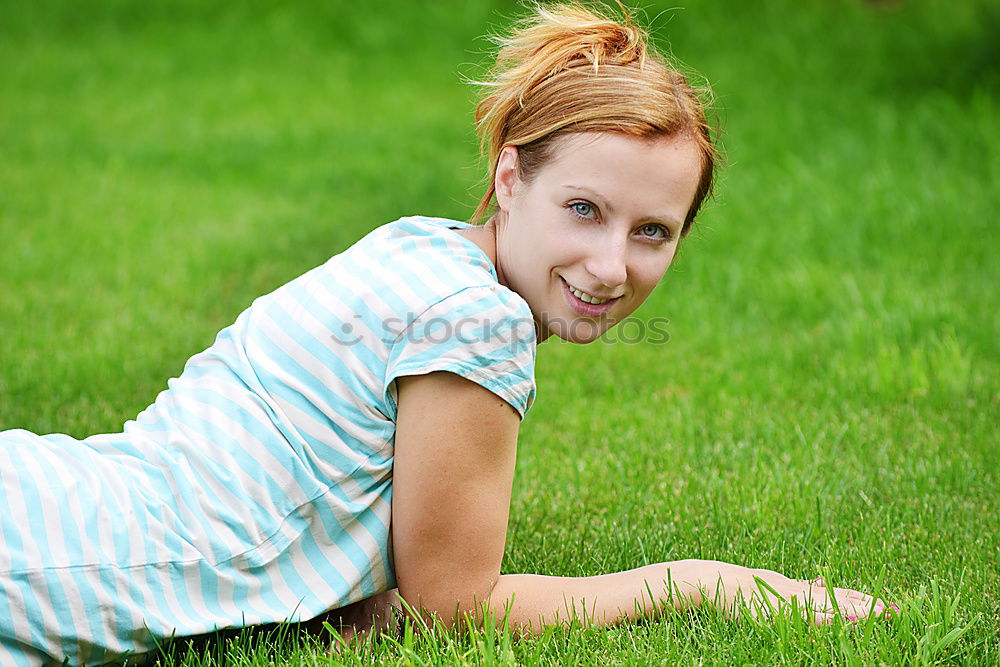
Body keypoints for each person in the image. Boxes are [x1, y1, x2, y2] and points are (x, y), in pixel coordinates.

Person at [0, 2, 892, 664]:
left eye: (651, 230)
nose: (613, 264)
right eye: (583, 208)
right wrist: (710, 579)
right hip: (65, 561)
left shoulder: (416, 248)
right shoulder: (479, 318)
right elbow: (452, 608)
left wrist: (347, 598)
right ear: (510, 179)